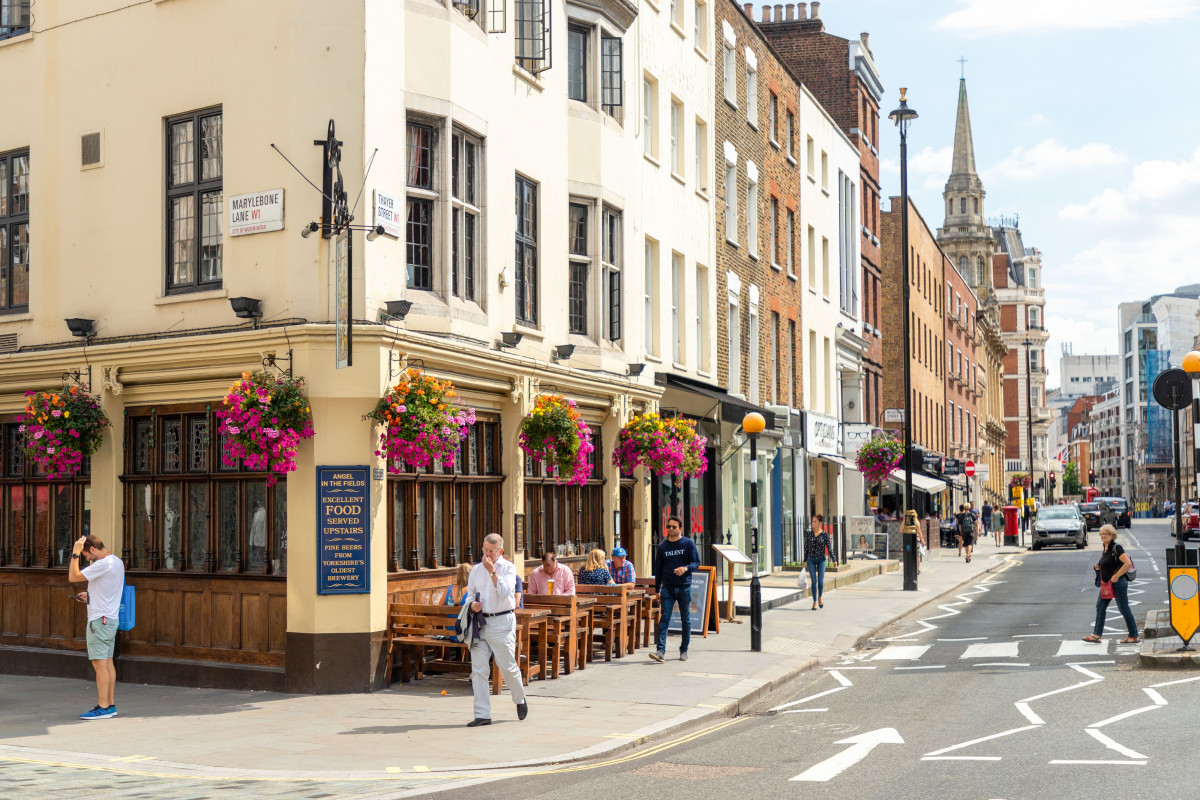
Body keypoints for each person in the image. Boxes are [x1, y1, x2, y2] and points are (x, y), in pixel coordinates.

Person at [465, 533, 527, 727]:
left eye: (491, 551)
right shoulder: (475, 570)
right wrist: (472, 604)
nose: (487, 554)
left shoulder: (508, 568)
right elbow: (469, 595)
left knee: (507, 666)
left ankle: (520, 699)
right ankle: (482, 714)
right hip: (480, 623)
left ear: (500, 551)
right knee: (479, 670)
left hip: (501, 622)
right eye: (485, 550)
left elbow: (507, 592)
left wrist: (492, 572)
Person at [68, 534, 125, 720]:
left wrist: (75, 554)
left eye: (86, 555)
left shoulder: (102, 564)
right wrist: (90, 594)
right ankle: (110, 705)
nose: (85, 558)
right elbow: (108, 588)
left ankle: (102, 706)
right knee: (107, 662)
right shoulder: (116, 562)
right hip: (110, 619)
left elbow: (73, 577)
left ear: (92, 549)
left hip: (99, 621)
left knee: (99, 663)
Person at [650, 515, 700, 663]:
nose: (670, 529)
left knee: (686, 619)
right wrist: (657, 590)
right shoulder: (662, 547)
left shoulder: (688, 543)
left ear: (680, 529)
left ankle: (684, 650)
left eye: (674, 527)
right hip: (667, 588)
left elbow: (697, 562)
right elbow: (658, 570)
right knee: (664, 618)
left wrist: (685, 568)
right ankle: (660, 651)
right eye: (669, 526)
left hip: (684, 586)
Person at [1083, 525, 1139, 644]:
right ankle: (1097, 635)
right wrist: (1098, 566)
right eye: (1101, 534)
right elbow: (1108, 563)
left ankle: (1134, 635)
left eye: (1106, 534)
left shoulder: (1116, 547)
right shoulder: (1106, 548)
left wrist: (1117, 575)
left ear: (1112, 535)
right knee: (1100, 606)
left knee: (1123, 608)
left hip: (1118, 583)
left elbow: (1127, 563)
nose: (1103, 536)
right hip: (1107, 584)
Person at [805, 514, 831, 609]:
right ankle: (815, 601)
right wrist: (804, 560)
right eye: (812, 521)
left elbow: (829, 547)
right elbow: (806, 547)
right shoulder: (808, 533)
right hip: (811, 559)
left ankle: (820, 596)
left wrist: (834, 559)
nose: (813, 523)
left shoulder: (824, 534)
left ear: (820, 523)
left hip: (821, 560)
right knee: (814, 581)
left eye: (815, 522)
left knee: (820, 581)